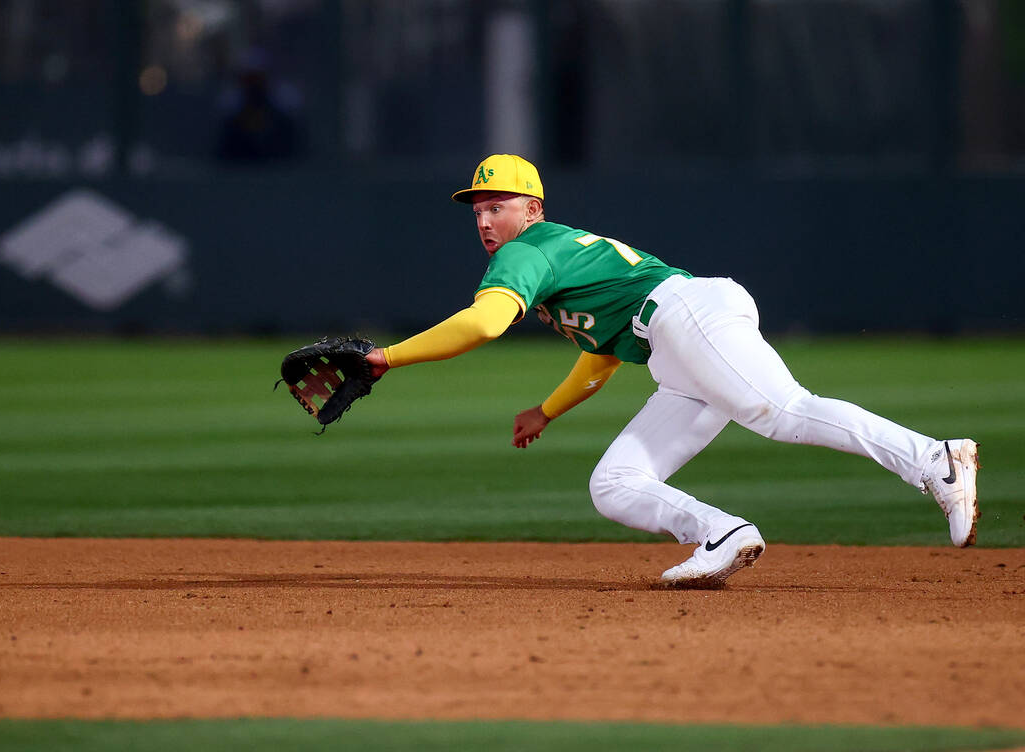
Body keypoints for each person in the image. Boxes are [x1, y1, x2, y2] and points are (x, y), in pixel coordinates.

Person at [363, 154, 980, 588]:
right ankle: (722, 534)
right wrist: (548, 410)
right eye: (476, 211)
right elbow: (602, 350)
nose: (485, 221)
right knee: (616, 482)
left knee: (782, 411)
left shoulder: (528, 250)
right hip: (677, 344)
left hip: (684, 317)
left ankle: (934, 459)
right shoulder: (553, 254)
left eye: (498, 207)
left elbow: (484, 324)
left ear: (533, 209)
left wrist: (387, 357)